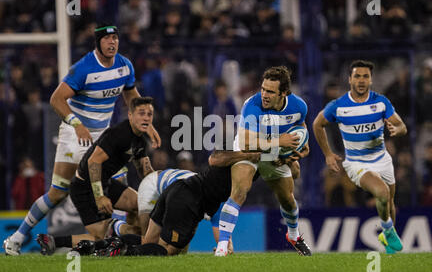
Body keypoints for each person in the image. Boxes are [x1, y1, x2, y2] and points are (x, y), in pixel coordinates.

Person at [3, 23, 161, 255]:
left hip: (105, 137)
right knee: (58, 192)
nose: (112, 43)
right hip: (75, 135)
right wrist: (76, 124)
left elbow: (130, 95)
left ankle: (121, 245)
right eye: (107, 40)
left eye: (115, 39)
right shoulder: (84, 68)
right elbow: (57, 99)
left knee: (123, 193)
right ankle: (16, 238)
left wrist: (147, 124)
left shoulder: (125, 66)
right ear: (97, 43)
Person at [71, 149, 264, 257]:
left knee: (148, 242)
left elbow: (221, 230)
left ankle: (97, 246)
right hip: (187, 198)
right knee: (169, 250)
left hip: (176, 189)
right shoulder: (238, 160)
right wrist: (247, 155)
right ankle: (119, 249)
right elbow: (214, 158)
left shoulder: (240, 163)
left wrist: (225, 245)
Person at [36, 97, 156, 255]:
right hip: (85, 187)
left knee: (140, 203)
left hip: (105, 182)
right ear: (130, 115)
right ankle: (52, 241)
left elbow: (145, 172)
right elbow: (93, 162)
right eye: (142, 113)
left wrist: (160, 186)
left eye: (149, 114)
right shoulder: (119, 134)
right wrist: (99, 197)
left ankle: (127, 245)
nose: (146, 117)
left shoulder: (139, 140)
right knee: (100, 237)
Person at [215, 66, 311, 257]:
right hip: (249, 150)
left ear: (284, 93)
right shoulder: (253, 104)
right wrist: (279, 141)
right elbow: (245, 142)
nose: (264, 95)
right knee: (239, 190)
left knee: (288, 199)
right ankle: (222, 246)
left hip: (274, 152)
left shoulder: (299, 107)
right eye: (263, 89)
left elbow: (301, 134)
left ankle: (293, 236)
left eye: (270, 91)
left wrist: (292, 154)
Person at [312, 60, 407, 254]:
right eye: (357, 76)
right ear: (350, 79)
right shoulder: (338, 106)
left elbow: (402, 126)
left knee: (389, 204)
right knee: (381, 192)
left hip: (383, 159)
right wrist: (328, 154)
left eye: (365, 76)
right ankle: (388, 231)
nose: (361, 80)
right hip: (357, 163)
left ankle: (387, 238)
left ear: (371, 80)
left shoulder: (381, 102)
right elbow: (317, 124)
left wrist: (397, 130)